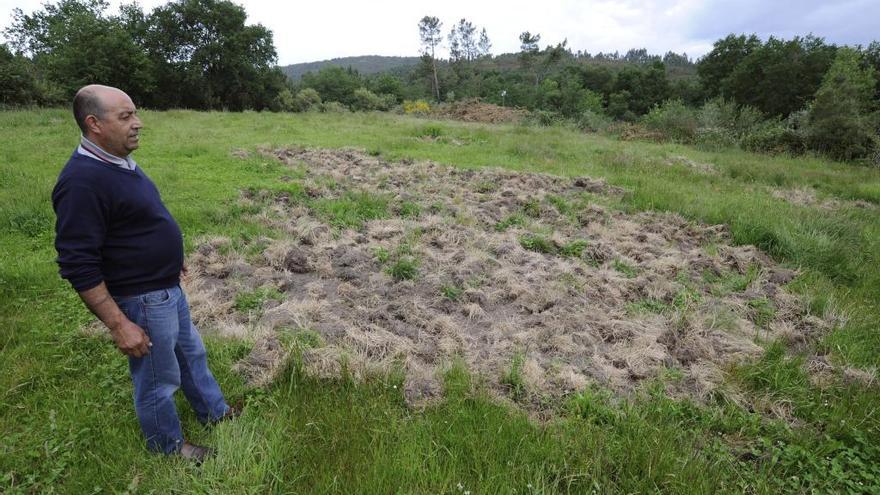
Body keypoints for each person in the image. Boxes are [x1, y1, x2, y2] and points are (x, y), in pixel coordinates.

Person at [52, 85, 238, 463]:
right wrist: (120, 324)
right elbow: (77, 262)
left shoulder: (115, 161)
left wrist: (169, 258)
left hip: (166, 286)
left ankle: (214, 413)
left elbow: (134, 223)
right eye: (125, 117)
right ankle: (168, 448)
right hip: (142, 298)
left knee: (191, 356)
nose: (137, 124)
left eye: (135, 114)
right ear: (94, 124)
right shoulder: (81, 182)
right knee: (158, 378)